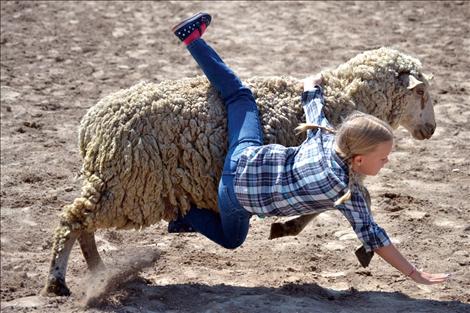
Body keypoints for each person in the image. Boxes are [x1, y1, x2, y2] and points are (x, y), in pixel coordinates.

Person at [169, 12, 449, 285]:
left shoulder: (324, 138)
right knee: (232, 240)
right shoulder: (347, 193)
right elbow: (374, 235)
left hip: (242, 157)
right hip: (235, 201)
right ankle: (184, 214)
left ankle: (192, 39)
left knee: (239, 95)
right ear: (360, 160)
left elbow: (313, 105)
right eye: (384, 158)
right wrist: (414, 273)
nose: (386, 162)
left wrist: (311, 85)